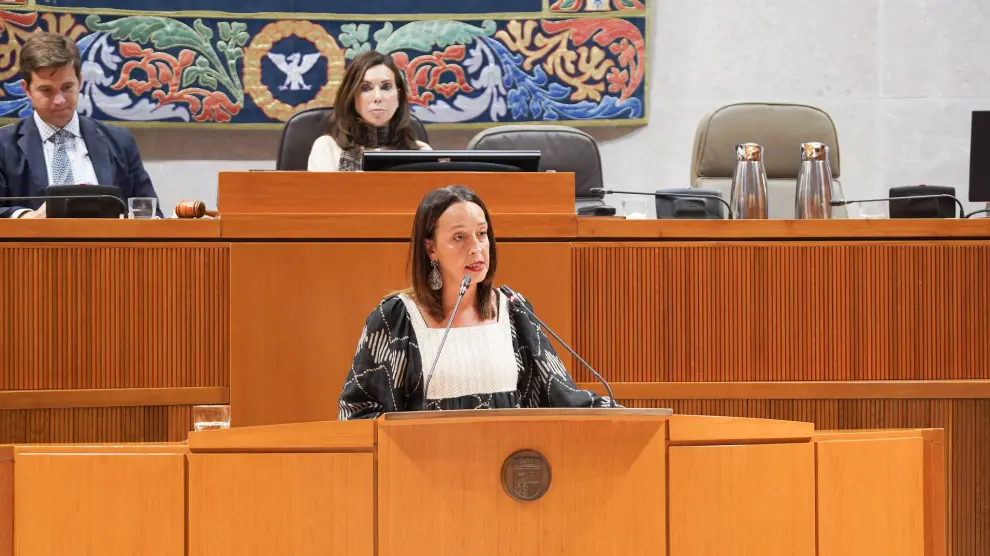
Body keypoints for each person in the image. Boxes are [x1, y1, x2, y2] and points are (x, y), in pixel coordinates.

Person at [338, 185, 616, 419]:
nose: (476, 248)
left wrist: (623, 417)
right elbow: (358, 412)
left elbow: (562, 397)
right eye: (459, 237)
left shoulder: (513, 310)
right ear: (431, 248)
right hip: (427, 467)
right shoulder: (396, 318)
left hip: (509, 465)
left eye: (481, 234)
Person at [0, 32, 161, 219]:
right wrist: (25, 217)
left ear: (80, 81)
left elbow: (149, 211)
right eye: (46, 90)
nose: (59, 100)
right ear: (26, 89)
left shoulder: (119, 141)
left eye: (67, 87)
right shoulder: (4, 146)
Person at [307, 50, 430, 172]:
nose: (378, 97)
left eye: (386, 87)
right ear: (352, 96)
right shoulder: (328, 148)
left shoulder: (421, 152)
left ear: (398, 95)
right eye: (365, 88)